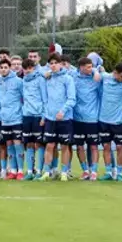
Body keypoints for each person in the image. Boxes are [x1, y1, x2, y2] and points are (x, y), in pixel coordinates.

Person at [97, 63, 122, 181]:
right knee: (106, 147)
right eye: (121, 76)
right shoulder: (105, 77)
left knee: (120, 147)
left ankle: (119, 172)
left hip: (118, 121)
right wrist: (96, 71)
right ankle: (109, 172)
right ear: (115, 73)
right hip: (103, 120)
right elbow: (97, 70)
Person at [42, 53, 76, 182]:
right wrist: (46, 115)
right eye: (51, 63)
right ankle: (47, 172)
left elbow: (72, 99)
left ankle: (64, 172)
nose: (53, 65)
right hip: (51, 119)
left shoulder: (68, 79)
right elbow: (45, 99)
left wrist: (63, 111)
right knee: (50, 145)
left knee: (64, 146)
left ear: (61, 64)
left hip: (65, 119)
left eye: (55, 63)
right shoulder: (48, 78)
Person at [73, 57, 101, 180]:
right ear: (81, 68)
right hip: (78, 118)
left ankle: (94, 171)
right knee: (79, 147)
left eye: (91, 66)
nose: (91, 69)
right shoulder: (73, 78)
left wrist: (97, 71)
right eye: (88, 67)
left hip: (92, 119)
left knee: (94, 146)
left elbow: (107, 72)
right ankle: (85, 170)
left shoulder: (96, 78)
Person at [0, 59, 23, 179]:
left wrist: (20, 111)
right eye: (1, 67)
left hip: (17, 118)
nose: (3, 69)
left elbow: (24, 98)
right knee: (9, 145)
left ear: (10, 68)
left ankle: (21, 171)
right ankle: (12, 170)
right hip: (4, 119)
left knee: (18, 144)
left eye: (5, 67)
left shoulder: (18, 81)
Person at [20, 59, 46, 180]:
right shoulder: (23, 81)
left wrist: (44, 116)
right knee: (29, 144)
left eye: (30, 68)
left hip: (38, 116)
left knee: (39, 144)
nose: (28, 71)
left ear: (34, 68)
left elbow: (45, 99)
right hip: (27, 116)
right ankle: (30, 171)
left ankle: (39, 171)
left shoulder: (40, 79)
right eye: (25, 68)